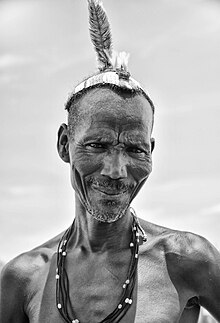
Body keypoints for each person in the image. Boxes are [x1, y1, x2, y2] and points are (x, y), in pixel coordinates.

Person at [1, 1, 220, 322]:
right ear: (64, 144)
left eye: (135, 149)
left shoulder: (185, 258)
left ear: (151, 151)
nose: (116, 170)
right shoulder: (23, 277)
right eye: (98, 144)